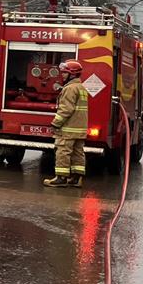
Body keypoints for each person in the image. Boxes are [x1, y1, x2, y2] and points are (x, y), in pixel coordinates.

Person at [44, 59, 88, 189]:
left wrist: (55, 123)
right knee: (77, 152)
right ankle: (76, 179)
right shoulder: (81, 87)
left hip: (68, 129)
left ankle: (61, 178)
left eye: (64, 73)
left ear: (72, 74)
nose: (62, 75)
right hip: (79, 129)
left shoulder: (70, 89)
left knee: (63, 151)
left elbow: (66, 109)